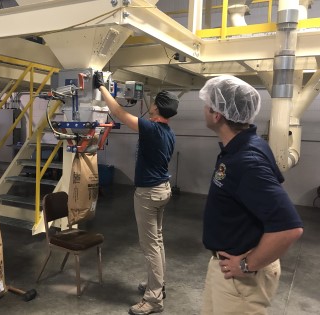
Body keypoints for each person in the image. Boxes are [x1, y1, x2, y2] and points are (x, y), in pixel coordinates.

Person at [199, 75, 304, 315]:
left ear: (217, 114)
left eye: (207, 104)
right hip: (225, 267)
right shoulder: (244, 146)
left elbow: (289, 228)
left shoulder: (247, 160)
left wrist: (247, 264)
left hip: (241, 278)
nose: (204, 109)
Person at [93, 72, 178, 315]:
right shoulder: (169, 132)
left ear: (157, 108)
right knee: (158, 242)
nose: (149, 104)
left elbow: (119, 114)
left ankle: (154, 299)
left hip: (149, 194)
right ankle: (157, 284)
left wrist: (101, 87)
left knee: (150, 246)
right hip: (163, 190)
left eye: (153, 102)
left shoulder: (152, 128)